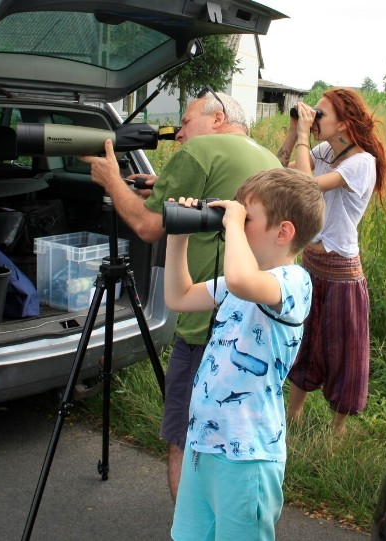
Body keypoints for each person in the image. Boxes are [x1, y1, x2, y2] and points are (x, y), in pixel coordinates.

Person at [80, 88, 281, 501]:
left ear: (218, 119)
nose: (180, 134)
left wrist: (110, 178)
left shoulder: (201, 152)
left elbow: (148, 226)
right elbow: (224, 209)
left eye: (186, 123)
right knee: (232, 437)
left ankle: (188, 526)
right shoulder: (266, 158)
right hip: (254, 321)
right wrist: (162, 188)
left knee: (184, 436)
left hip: (205, 320)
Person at [165, 168, 325, 541]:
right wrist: (180, 237)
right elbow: (179, 296)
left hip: (248, 454)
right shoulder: (239, 283)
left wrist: (232, 225)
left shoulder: (294, 282)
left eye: (247, 217)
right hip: (203, 442)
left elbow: (241, 279)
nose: (233, 222)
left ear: (283, 232)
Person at [275, 88, 386, 435]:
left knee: (344, 350)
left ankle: (337, 430)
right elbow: (280, 168)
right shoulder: (326, 150)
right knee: (304, 338)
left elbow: (305, 186)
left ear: (343, 123)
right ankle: (293, 414)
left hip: (342, 269)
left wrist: (301, 138)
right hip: (311, 262)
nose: (315, 119)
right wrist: (295, 127)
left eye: (321, 114)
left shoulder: (361, 163)